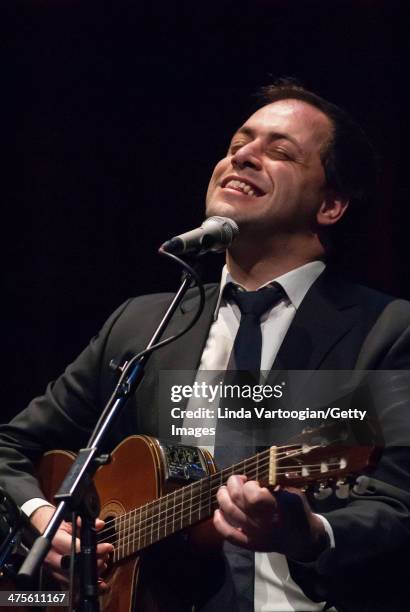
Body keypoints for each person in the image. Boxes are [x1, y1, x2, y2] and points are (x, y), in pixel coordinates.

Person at [1, 80, 410, 611]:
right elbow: (11, 446)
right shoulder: (144, 322)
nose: (244, 156)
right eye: (240, 142)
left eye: (280, 151)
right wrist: (44, 522)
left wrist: (310, 534)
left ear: (330, 205)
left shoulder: (387, 331)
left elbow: (398, 502)